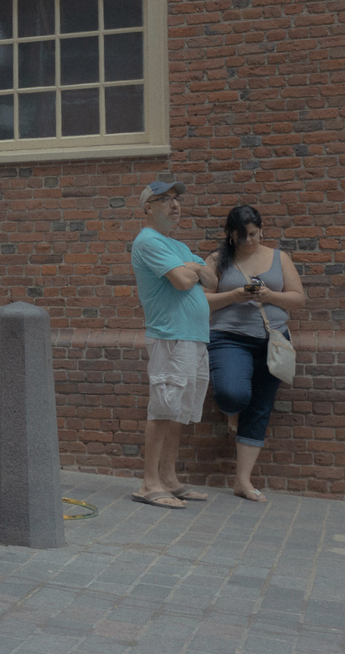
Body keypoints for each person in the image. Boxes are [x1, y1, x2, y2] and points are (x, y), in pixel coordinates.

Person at [203, 206, 305, 502]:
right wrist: (236, 295)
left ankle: (242, 481)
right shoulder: (217, 260)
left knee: (260, 408)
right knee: (232, 393)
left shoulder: (279, 258)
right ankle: (232, 413)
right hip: (229, 338)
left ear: (261, 229)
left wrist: (268, 296)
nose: (248, 241)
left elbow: (298, 299)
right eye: (240, 236)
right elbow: (201, 301)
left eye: (252, 234)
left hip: (273, 341)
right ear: (230, 236)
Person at [129, 181, 217, 509]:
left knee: (178, 411)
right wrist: (193, 269)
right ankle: (149, 483)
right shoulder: (148, 240)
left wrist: (192, 267)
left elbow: (212, 279)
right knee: (164, 407)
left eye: (176, 199)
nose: (174, 204)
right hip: (170, 336)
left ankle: (169, 478)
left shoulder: (176, 246)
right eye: (164, 199)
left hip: (193, 337)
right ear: (147, 208)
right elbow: (182, 281)